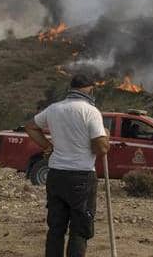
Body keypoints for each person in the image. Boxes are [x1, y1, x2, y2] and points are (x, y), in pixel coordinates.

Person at [25, 74, 110, 257]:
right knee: (79, 230)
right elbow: (101, 148)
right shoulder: (90, 111)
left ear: (71, 89)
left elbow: (30, 127)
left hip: (56, 175)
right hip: (81, 176)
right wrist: (106, 135)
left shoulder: (54, 109)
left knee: (56, 228)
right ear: (90, 89)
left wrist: (48, 146)